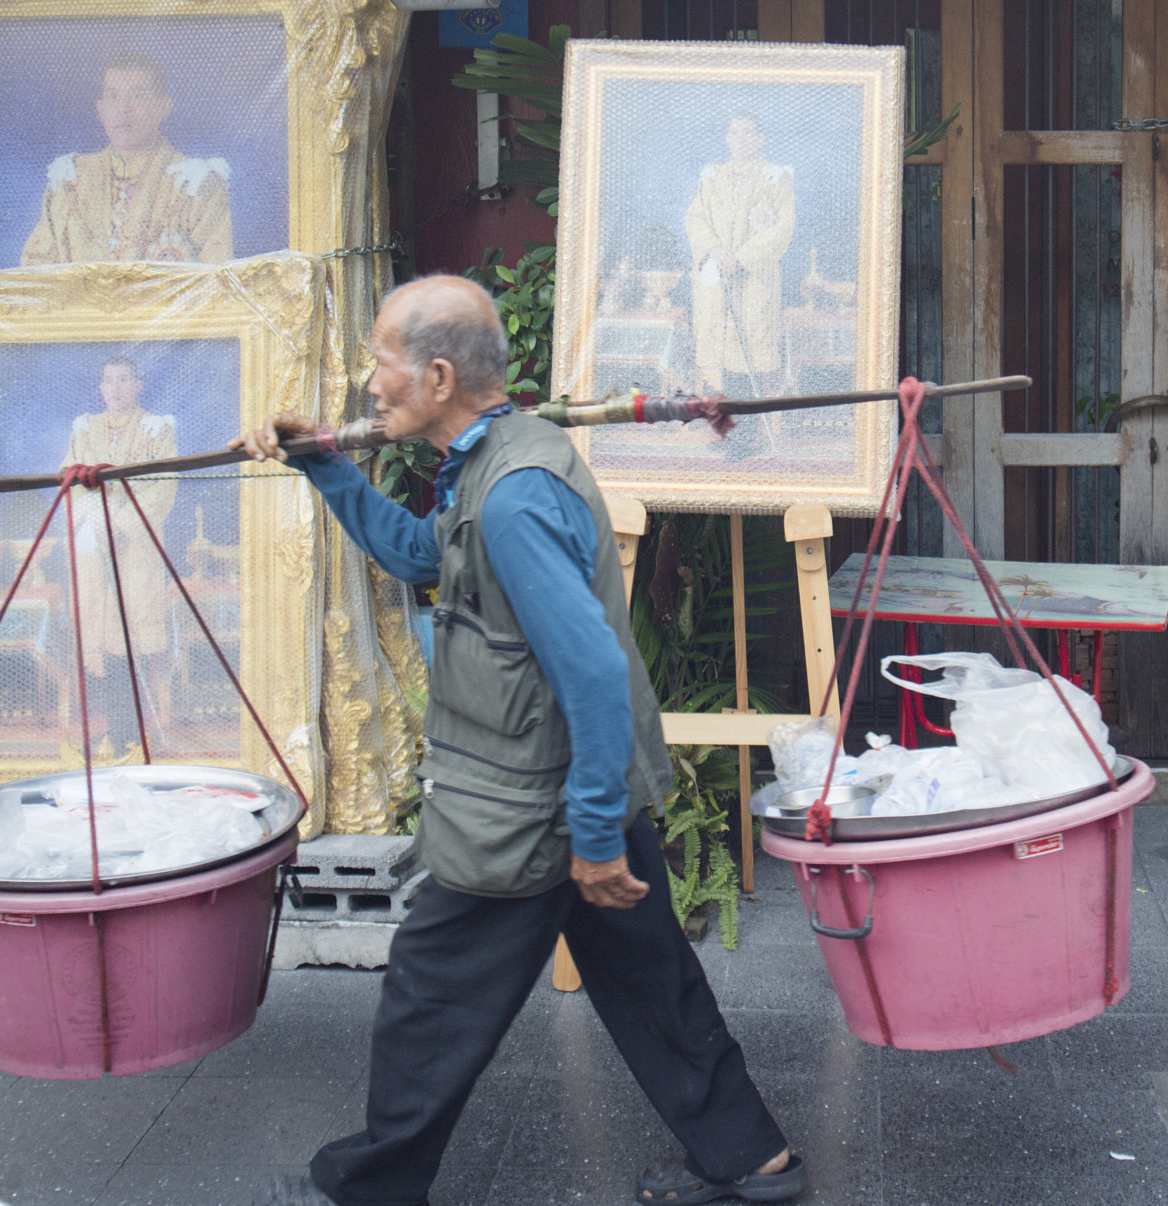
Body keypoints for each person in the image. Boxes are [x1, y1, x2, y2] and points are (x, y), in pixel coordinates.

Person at [235, 275, 803, 1206]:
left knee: (434, 994)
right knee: (648, 977)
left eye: (381, 362)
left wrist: (585, 838)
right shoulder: (502, 453)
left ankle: (366, 1189)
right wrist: (327, 466)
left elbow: (588, 672)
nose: (369, 385)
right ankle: (752, 1159)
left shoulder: (513, 497)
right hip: (578, 785)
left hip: (532, 803)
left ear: (441, 373)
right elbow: (427, 556)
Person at [62, 355, 176, 756]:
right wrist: (95, 519)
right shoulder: (84, 428)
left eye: (124, 380)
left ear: (137, 385)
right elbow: (71, 480)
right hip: (95, 545)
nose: (115, 388)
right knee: (99, 637)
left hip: (136, 546)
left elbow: (163, 485)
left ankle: (134, 734)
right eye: (108, 381)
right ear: (101, 387)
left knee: (129, 640)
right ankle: (107, 732)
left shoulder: (157, 428)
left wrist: (120, 522)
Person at [20, 51, 233, 266]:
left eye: (138, 95)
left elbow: (215, 283)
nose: (123, 109)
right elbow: (34, 272)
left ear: (163, 107)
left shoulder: (196, 185)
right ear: (101, 109)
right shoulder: (69, 179)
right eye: (112, 96)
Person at [682, 114, 793, 394]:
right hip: (717, 277)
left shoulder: (776, 178)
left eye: (747, 133)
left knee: (747, 357)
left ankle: (745, 435)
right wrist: (715, 250)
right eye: (734, 133)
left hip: (753, 280)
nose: (740, 139)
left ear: (760, 138)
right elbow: (695, 218)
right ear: (727, 138)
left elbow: (783, 227)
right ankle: (723, 431)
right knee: (717, 356)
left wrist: (741, 259)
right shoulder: (712, 177)